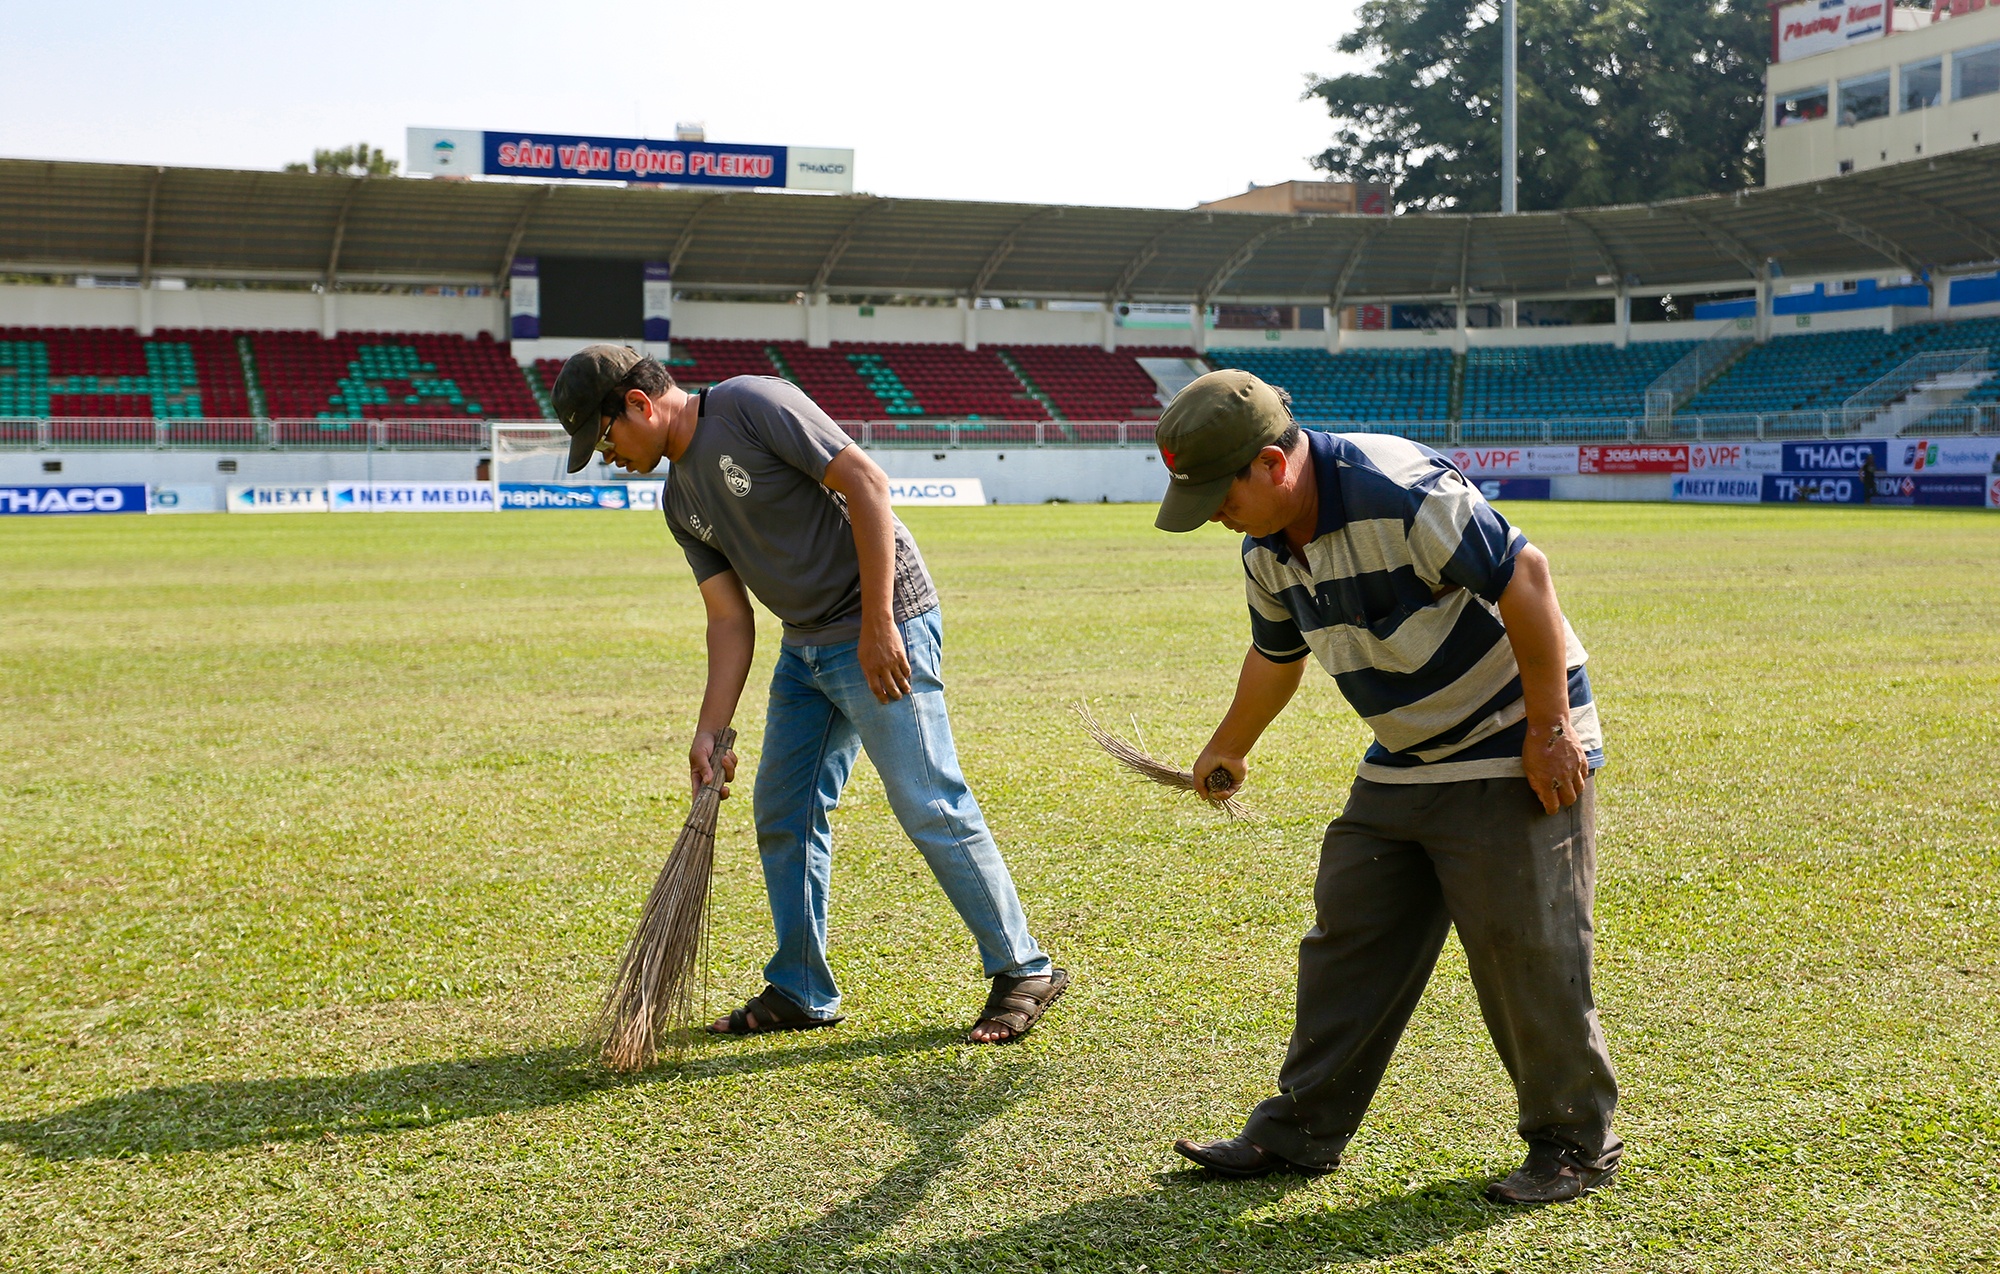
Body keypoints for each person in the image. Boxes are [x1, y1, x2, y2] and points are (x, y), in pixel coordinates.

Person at [1153, 370, 1620, 1205]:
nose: (1213, 515)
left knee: (1526, 949)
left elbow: (1527, 579)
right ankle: (1300, 1131)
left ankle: (1572, 1144)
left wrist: (1551, 734)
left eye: (1218, 493)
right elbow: (1275, 656)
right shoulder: (1265, 550)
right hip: (1406, 751)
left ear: (1270, 465)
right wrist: (1229, 747)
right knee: (1352, 930)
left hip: (1512, 735)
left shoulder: (1398, 487)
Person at [549, 346, 1065, 1044]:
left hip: (883, 621)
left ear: (639, 404)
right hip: (807, 646)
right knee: (784, 810)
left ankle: (1023, 967)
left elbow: (868, 484)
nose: (608, 455)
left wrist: (881, 624)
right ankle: (801, 988)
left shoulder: (751, 404)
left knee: (927, 798)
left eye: (605, 437)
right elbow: (729, 618)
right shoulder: (680, 501)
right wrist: (711, 730)